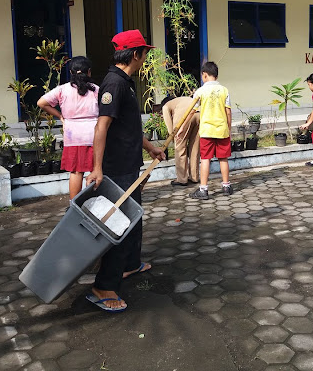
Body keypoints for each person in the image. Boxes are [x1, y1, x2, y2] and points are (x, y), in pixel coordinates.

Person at [85, 29, 165, 312]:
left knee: (134, 218)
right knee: (120, 224)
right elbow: (102, 127)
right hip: (117, 168)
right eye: (144, 53)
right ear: (135, 54)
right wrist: (97, 168)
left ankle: (130, 264)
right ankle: (103, 286)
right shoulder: (114, 84)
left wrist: (150, 148)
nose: (145, 58)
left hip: (129, 164)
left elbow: (128, 127)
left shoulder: (124, 82)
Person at [37, 56, 99, 198]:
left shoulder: (62, 89)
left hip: (73, 135)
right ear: (89, 72)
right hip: (94, 134)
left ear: (71, 72)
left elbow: (41, 103)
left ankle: (74, 204)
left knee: (76, 171)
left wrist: (60, 116)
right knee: (95, 170)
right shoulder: (96, 90)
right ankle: (95, 202)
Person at [186, 61, 232, 199]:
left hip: (207, 130)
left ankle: (204, 189)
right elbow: (228, 112)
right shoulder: (224, 90)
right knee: (223, 158)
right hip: (222, 130)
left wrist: (183, 127)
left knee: (205, 159)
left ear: (204, 75)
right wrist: (228, 128)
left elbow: (192, 111)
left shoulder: (200, 91)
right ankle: (226, 186)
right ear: (216, 76)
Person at [163, 96, 200, 186]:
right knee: (195, 147)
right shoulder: (182, 99)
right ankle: (194, 177)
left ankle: (182, 179)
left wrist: (173, 137)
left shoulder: (166, 105)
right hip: (199, 113)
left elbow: (169, 125)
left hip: (184, 115)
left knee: (180, 147)